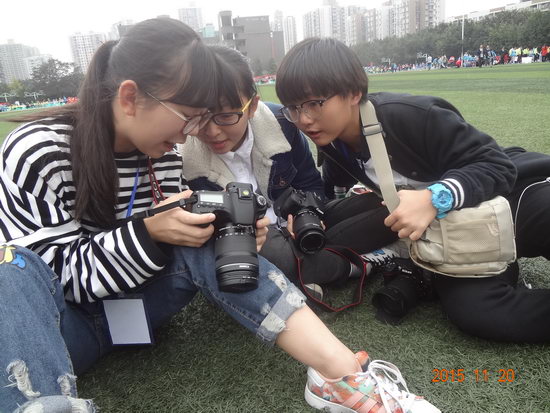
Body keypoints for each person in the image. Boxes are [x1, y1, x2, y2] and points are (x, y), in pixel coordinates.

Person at [0, 20, 440, 413]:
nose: (190, 136)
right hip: (56, 335)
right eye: (189, 118)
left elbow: (174, 245)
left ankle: (341, 376)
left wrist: (234, 230)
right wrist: (150, 232)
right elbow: (50, 284)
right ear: (131, 98)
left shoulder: (163, 156)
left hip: (136, 315)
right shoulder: (39, 149)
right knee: (9, 266)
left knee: (210, 228)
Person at [275, 37, 550, 343]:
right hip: (462, 237)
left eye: (314, 103)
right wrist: (309, 215)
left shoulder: (408, 114)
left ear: (353, 92)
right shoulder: (333, 144)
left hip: (517, 200)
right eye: (293, 108)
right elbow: (330, 193)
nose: (304, 119)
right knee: (476, 313)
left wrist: (434, 198)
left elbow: (498, 165)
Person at [180, 45, 396, 300]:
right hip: (256, 240)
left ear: (252, 106)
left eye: (226, 116)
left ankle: (306, 267)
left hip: (294, 222)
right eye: (199, 118)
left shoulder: (281, 123)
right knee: (265, 251)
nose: (212, 131)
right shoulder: (186, 161)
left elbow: (310, 184)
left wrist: (307, 212)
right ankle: (354, 265)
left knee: (385, 208)